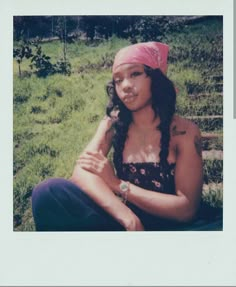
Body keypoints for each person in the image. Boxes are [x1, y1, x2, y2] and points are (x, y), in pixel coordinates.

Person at [31, 41, 222, 231]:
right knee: (47, 192)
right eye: (118, 79)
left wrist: (117, 184)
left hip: (173, 227)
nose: (126, 85)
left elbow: (186, 210)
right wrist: (127, 217)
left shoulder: (184, 132)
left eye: (135, 74)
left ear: (155, 78)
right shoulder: (113, 125)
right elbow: (81, 173)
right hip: (125, 222)